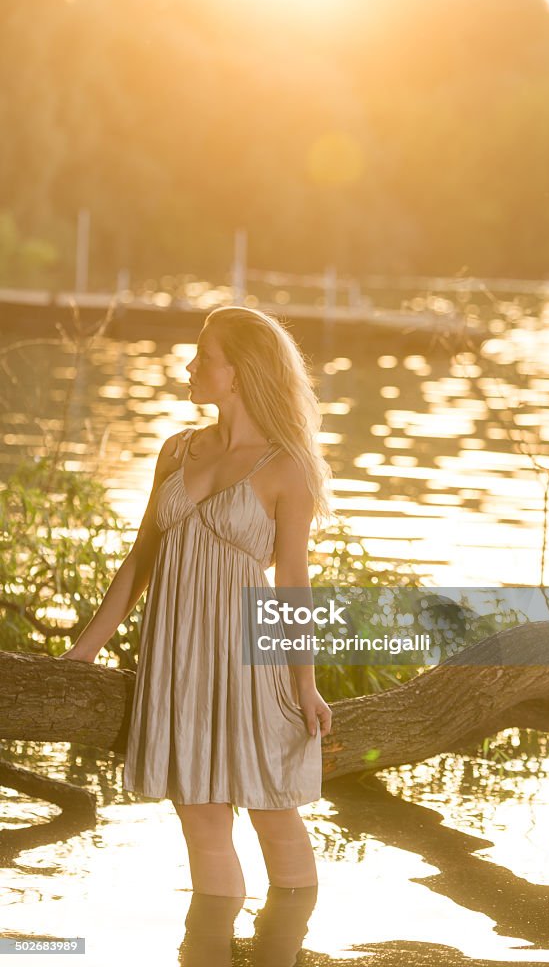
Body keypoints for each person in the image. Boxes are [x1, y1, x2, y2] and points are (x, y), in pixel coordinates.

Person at [60, 306, 333, 956]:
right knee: (202, 823)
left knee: (273, 814)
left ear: (239, 373)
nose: (188, 367)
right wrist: (83, 651)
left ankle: (283, 948)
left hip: (249, 667)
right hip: (176, 666)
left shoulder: (285, 466)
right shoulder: (178, 449)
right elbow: (140, 561)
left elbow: (293, 582)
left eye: (203, 358)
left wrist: (306, 686)